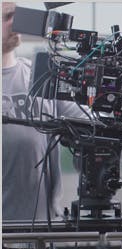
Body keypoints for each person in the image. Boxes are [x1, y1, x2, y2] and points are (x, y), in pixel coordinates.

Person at [2, 2, 83, 222]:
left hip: (40, 232)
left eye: (18, 16)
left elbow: (87, 122)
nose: (16, 23)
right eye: (7, 17)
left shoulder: (41, 76)